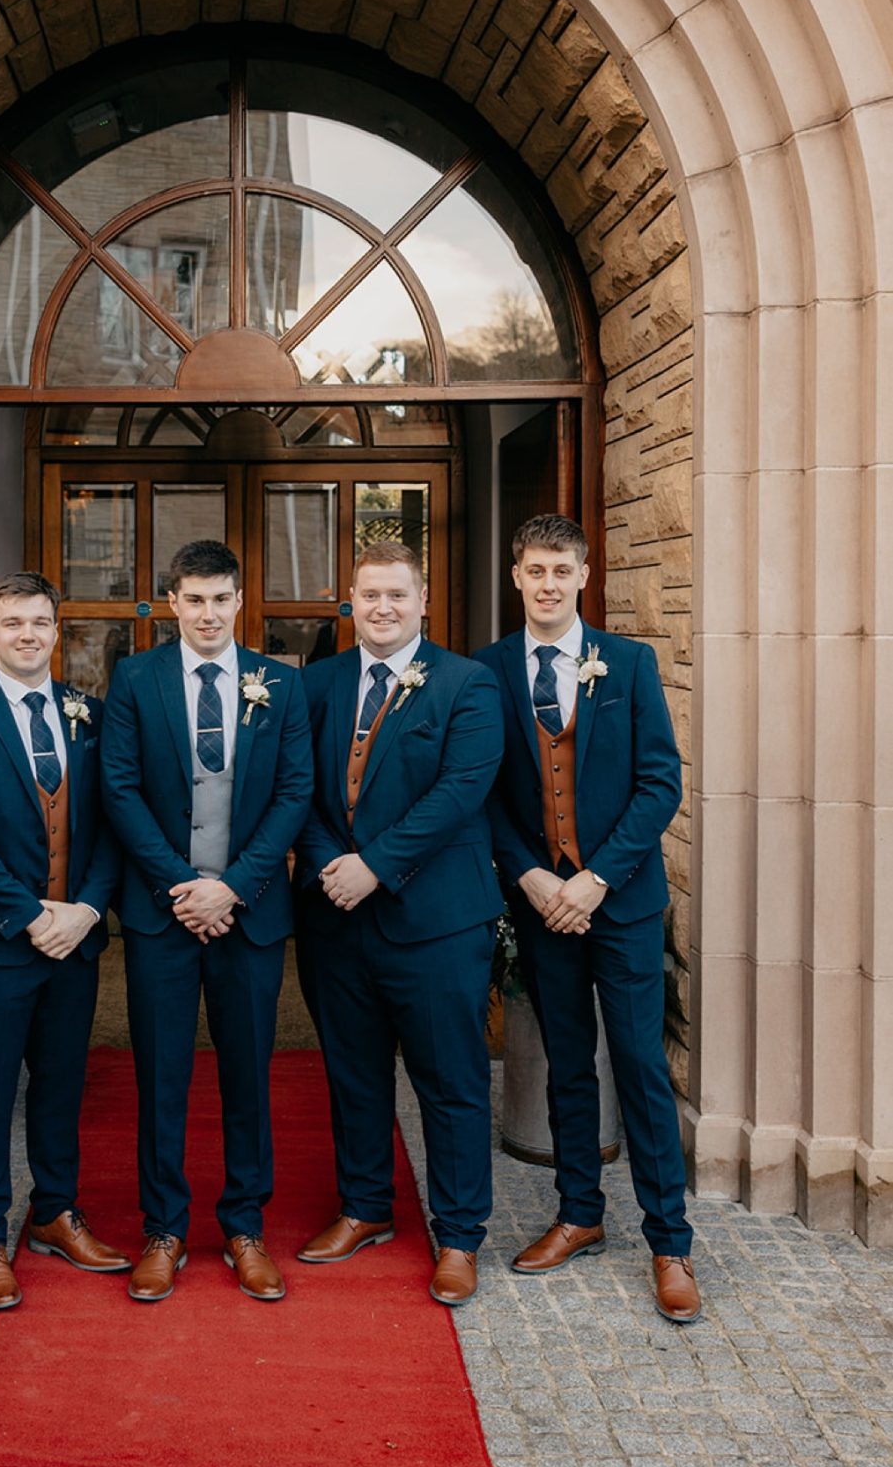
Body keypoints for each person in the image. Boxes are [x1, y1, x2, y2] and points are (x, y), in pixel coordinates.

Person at [475, 514, 699, 1323]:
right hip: (541, 905)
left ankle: (668, 1241)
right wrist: (533, 878)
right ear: (516, 576)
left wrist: (596, 879)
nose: (546, 583)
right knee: (567, 1061)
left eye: (560, 571)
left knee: (638, 1065)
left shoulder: (630, 664)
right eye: (533, 570)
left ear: (581, 575)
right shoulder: (487, 671)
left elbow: (658, 784)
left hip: (619, 902)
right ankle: (578, 1215)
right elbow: (485, 794)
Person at [100, 540, 312, 1303]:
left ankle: (244, 1226)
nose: (208, 613)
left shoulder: (277, 686)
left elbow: (295, 794)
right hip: (164, 915)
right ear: (171, 604)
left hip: (247, 914)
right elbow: (118, 789)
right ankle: (163, 1227)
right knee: (160, 1076)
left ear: (239, 602)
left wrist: (235, 888)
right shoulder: (135, 677)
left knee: (247, 1075)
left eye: (221, 599)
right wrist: (181, 886)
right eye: (193, 599)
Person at [293, 542, 504, 1307]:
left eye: (396, 595)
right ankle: (363, 1208)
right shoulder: (315, 685)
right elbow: (298, 791)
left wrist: (373, 866)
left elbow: (459, 791)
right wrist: (328, 864)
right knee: (353, 1076)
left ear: (422, 601)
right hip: (333, 919)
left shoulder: (467, 685)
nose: (381, 608)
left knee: (450, 1081)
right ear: (349, 600)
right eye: (368, 595)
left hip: (436, 922)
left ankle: (459, 1234)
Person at [0, 573, 128, 1310]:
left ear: (57, 631)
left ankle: (54, 1211)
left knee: (61, 1083)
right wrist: (28, 913)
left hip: (74, 939)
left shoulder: (90, 714)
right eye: (12, 623)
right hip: (0, 942)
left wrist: (84, 910)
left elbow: (112, 825)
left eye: (39, 622)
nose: (26, 635)